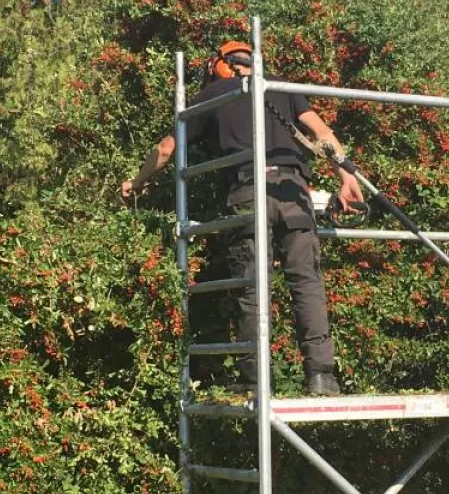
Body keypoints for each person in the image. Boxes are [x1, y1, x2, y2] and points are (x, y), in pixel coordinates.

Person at [121, 40, 363, 396]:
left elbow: (166, 148)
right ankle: (321, 377)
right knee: (307, 282)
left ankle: (255, 380)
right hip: (294, 192)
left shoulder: (212, 95)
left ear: (219, 67)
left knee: (251, 287)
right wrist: (347, 177)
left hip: (248, 191)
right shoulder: (281, 86)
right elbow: (322, 133)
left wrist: (137, 182)